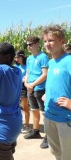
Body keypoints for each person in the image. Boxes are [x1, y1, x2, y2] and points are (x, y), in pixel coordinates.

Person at [41, 24, 71, 160]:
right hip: (49, 115)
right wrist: (48, 94)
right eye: (45, 41)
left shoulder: (69, 61)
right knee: (56, 153)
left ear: (62, 41)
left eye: (51, 40)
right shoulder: (51, 62)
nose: (47, 44)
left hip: (66, 119)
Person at [23, 36, 49, 149]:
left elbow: (45, 74)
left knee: (44, 113)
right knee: (34, 111)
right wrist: (26, 83)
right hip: (30, 88)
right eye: (27, 45)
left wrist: (32, 85)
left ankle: (48, 136)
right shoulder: (29, 58)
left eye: (31, 44)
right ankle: (36, 131)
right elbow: (27, 73)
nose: (28, 46)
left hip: (40, 88)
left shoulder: (43, 57)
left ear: (37, 44)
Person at [14, 50, 30, 134]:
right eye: (15, 57)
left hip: (24, 87)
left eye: (18, 57)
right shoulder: (15, 66)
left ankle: (27, 125)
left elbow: (29, 75)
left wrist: (24, 79)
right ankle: (19, 123)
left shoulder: (27, 66)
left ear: (22, 57)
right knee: (16, 106)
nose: (17, 59)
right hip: (16, 87)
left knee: (24, 106)